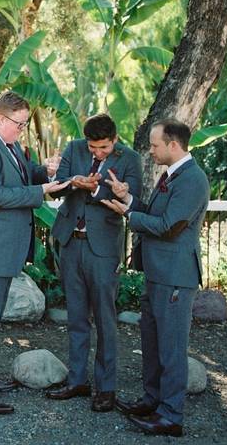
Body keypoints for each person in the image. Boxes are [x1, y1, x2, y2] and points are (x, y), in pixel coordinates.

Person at [0, 91, 67, 415]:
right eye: (19, 124)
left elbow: (20, 174)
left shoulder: (5, 143)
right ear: (1, 119)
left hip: (0, 251)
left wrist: (42, 172)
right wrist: (41, 191)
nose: (22, 129)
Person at [102, 118, 209, 437]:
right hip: (158, 273)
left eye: (155, 145)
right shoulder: (172, 175)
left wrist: (128, 215)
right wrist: (129, 199)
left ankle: (171, 416)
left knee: (172, 347)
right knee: (152, 341)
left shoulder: (192, 180)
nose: (150, 150)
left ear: (174, 145)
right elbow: (156, 211)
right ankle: (153, 399)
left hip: (176, 276)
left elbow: (169, 226)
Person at [45, 114, 142, 412]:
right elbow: (58, 185)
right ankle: (77, 381)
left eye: (103, 147)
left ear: (114, 139)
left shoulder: (130, 159)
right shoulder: (74, 148)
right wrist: (73, 182)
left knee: (105, 318)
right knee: (75, 316)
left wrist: (98, 189)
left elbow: (133, 199)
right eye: (92, 147)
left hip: (103, 250)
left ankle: (106, 387)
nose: (97, 153)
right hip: (71, 242)